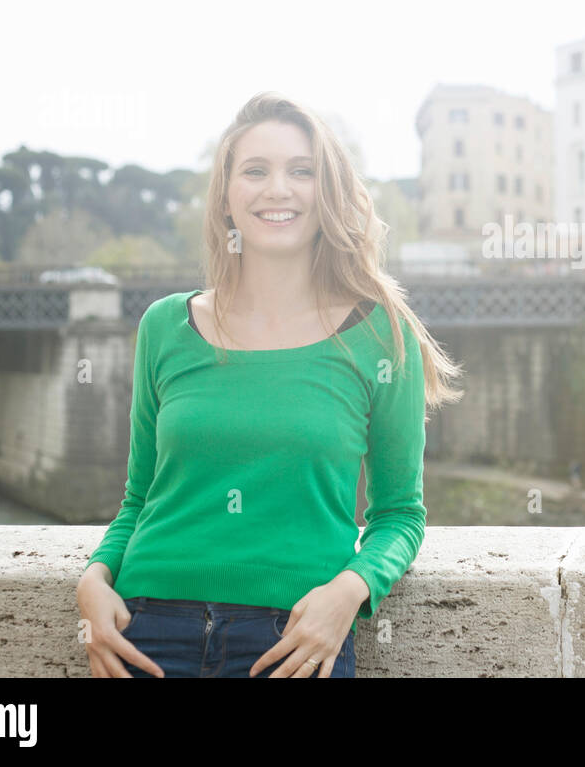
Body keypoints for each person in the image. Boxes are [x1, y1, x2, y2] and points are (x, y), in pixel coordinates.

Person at [77, 91, 463, 678]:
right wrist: (94, 577)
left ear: (326, 192)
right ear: (227, 195)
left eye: (300, 171)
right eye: (255, 170)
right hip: (145, 637)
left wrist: (349, 591)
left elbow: (400, 515)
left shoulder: (380, 335)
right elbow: (139, 498)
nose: (277, 189)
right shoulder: (164, 326)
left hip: (294, 643)